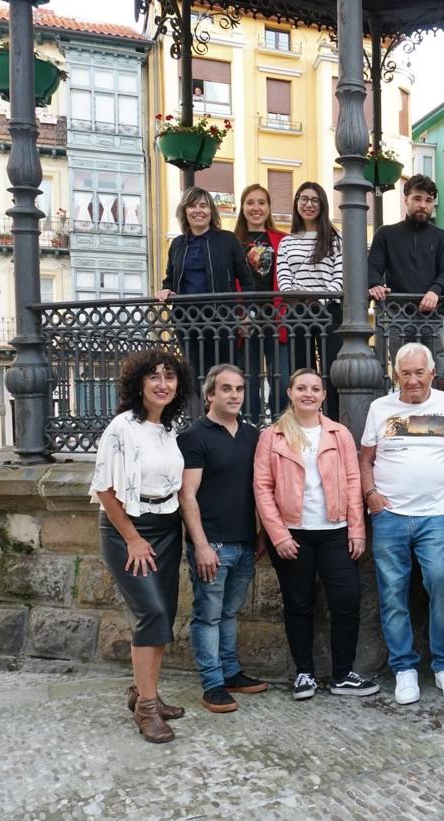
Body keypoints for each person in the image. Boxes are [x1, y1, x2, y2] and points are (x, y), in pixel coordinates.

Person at [254, 368, 379, 700]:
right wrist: (278, 534)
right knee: (298, 604)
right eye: (301, 388)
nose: (308, 394)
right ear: (290, 393)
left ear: (324, 395)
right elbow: (263, 489)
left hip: (335, 531)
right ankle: (304, 674)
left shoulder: (339, 434)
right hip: (293, 533)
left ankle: (342, 675)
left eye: (315, 389)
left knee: (347, 600)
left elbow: (354, 484)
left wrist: (357, 529)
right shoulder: (273, 435)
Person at [360, 343, 444, 705]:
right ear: (396, 375)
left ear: (431, 373)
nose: (412, 380)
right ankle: (404, 669)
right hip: (390, 514)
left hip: (436, 513)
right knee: (392, 591)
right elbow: (366, 459)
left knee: (441, 581)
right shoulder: (380, 408)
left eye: (418, 372)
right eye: (405, 373)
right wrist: (371, 495)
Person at [89, 349, 192, 743]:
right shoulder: (122, 427)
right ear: (139, 384)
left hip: (167, 527)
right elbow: (103, 488)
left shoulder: (169, 428)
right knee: (150, 612)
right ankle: (147, 710)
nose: (163, 384)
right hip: (127, 529)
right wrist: (132, 538)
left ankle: (144, 692)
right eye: (154, 377)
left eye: (169, 376)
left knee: (162, 614)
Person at [177, 364, 267, 714]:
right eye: (226, 389)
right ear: (210, 394)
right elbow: (188, 496)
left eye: (239, 389)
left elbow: (257, 489)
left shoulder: (251, 435)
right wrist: (200, 545)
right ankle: (212, 683)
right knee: (208, 616)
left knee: (230, 613)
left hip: (245, 542)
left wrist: (259, 533)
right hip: (212, 544)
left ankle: (231, 673)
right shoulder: (195, 437)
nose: (234, 395)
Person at [156, 187, 255, 403]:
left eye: (203, 205)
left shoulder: (227, 240)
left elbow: (247, 282)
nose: (198, 211)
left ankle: (227, 423)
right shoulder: (178, 244)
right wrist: (166, 289)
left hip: (222, 320)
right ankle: (201, 424)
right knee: (195, 376)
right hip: (187, 321)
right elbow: (170, 279)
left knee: (224, 376)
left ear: (211, 211)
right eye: (192, 206)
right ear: (185, 211)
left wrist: (245, 313)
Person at [368, 174, 444, 369]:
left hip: (433, 315)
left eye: (429, 200)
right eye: (417, 198)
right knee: (403, 370)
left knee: (436, 371)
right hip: (397, 315)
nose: (423, 205)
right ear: (405, 199)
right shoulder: (386, 234)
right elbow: (372, 266)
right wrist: (375, 284)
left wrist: (435, 290)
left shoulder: (443, 237)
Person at [276, 182, 344, 417]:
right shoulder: (287, 242)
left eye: (314, 200)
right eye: (303, 199)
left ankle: (333, 420)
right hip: (298, 312)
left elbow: (339, 276)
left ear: (323, 205)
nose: (308, 204)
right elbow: (284, 279)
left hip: (329, 311)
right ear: (296, 204)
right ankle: (304, 420)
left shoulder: (335, 239)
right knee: (302, 372)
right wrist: (301, 300)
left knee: (331, 372)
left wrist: (320, 301)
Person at [233, 184, 286, 421]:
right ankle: (250, 428)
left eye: (261, 202)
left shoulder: (282, 240)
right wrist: (239, 313)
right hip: (245, 317)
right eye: (250, 202)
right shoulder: (232, 241)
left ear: (269, 207)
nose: (256, 208)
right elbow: (229, 280)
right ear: (242, 207)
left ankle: (280, 425)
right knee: (248, 378)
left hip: (276, 316)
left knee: (282, 377)